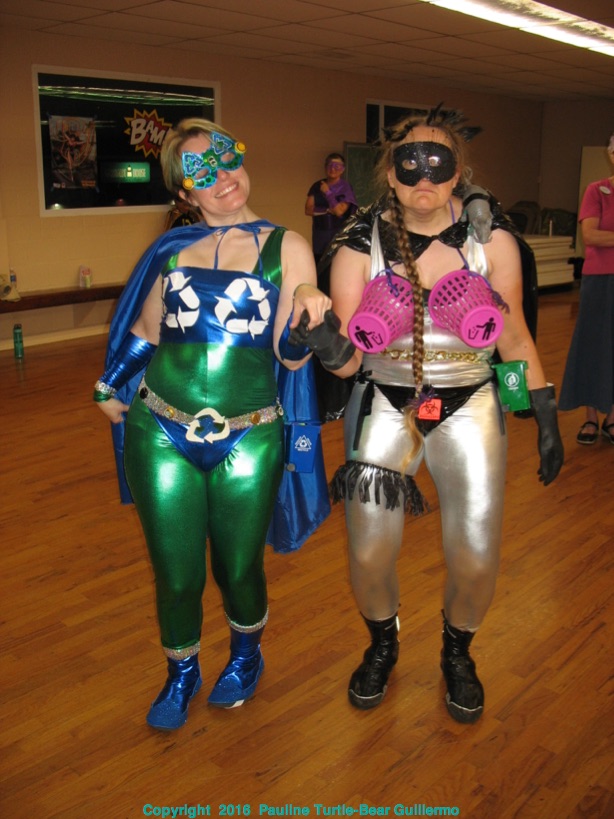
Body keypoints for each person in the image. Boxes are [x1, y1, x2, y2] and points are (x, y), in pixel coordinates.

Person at [292, 106, 564, 723]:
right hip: (382, 401)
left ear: (457, 173)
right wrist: (324, 341)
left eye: (437, 164)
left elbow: (513, 339)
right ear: (390, 173)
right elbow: (347, 363)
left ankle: (457, 651)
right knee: (368, 551)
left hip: (472, 402)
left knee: (475, 553)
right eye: (409, 163)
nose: (423, 177)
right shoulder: (359, 246)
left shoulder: (490, 242)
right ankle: (382, 642)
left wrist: (539, 410)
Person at [93, 118, 331, 731]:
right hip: (160, 430)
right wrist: (108, 384)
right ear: (184, 191)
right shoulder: (172, 251)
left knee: (239, 566)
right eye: (201, 171)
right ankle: (181, 673)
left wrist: (305, 322)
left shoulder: (286, 246)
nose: (221, 176)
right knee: (176, 574)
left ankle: (245, 658)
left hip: (249, 432)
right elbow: (146, 331)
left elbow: (289, 358)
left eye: (226, 157)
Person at [559, 132, 614, 445]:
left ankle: (612, 417)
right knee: (593, 344)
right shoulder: (597, 190)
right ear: (611, 155)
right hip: (600, 279)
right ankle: (591, 416)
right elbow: (591, 236)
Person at [305, 153, 358, 268]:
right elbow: (308, 210)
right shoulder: (317, 186)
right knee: (320, 270)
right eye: (330, 165)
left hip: (338, 239)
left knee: (336, 269)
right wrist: (327, 210)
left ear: (342, 169)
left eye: (337, 166)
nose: (333, 169)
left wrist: (328, 192)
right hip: (319, 240)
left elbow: (339, 211)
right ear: (325, 167)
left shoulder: (346, 187)